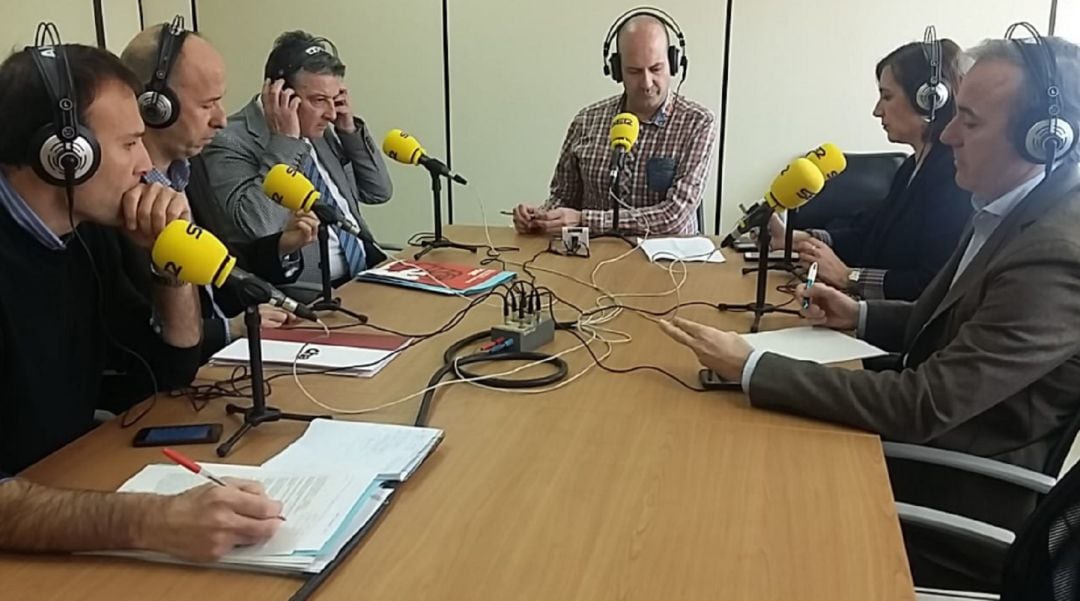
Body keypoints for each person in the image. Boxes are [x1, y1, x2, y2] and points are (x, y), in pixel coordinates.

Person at [662, 32, 1080, 590]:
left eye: (972, 121)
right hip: (914, 450)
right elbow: (951, 325)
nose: (950, 133)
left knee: (727, 506)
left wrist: (752, 367)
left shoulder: (1054, 254)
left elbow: (923, 403)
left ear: (1042, 139)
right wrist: (857, 315)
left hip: (950, 497)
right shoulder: (1005, 206)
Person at [0, 38, 283, 559]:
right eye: (129, 144)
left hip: (65, 484)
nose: (143, 167)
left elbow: (167, 373)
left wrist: (169, 265)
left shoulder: (82, 240)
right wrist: (149, 521)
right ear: (66, 156)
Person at [120, 21, 319, 362]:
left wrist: (279, 248)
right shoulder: (112, 196)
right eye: (206, 105)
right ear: (154, 107)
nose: (221, 120)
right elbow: (127, 329)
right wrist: (229, 329)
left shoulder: (189, 168)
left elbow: (219, 265)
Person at [770, 35, 972, 301]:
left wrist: (848, 277)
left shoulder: (953, 177)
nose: (877, 111)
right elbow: (869, 234)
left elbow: (929, 283)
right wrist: (800, 238)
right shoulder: (911, 167)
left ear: (928, 100)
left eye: (886, 97)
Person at [203, 30, 393, 287]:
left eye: (334, 99)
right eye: (318, 100)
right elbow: (258, 226)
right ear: (280, 94)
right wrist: (285, 142)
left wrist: (348, 130)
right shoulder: (229, 141)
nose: (330, 113)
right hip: (310, 292)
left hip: (368, 270)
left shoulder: (320, 127)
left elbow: (378, 191)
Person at [512, 10, 717, 236]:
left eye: (656, 69)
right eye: (635, 71)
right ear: (617, 70)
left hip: (670, 266)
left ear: (674, 63)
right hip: (590, 262)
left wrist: (586, 220)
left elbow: (674, 217)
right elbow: (563, 197)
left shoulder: (697, 123)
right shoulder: (586, 121)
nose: (647, 83)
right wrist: (540, 217)